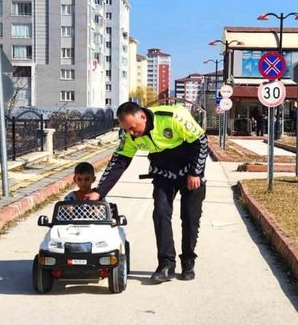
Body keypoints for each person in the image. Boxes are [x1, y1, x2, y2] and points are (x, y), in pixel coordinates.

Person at [84, 101, 207, 283]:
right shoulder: (129, 135)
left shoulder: (173, 118)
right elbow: (119, 162)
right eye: (126, 129)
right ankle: (166, 264)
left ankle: (188, 260)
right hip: (163, 171)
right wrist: (98, 192)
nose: (131, 133)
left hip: (189, 169)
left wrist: (195, 172)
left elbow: (201, 141)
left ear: (142, 116)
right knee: (160, 213)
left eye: (133, 128)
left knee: (190, 217)